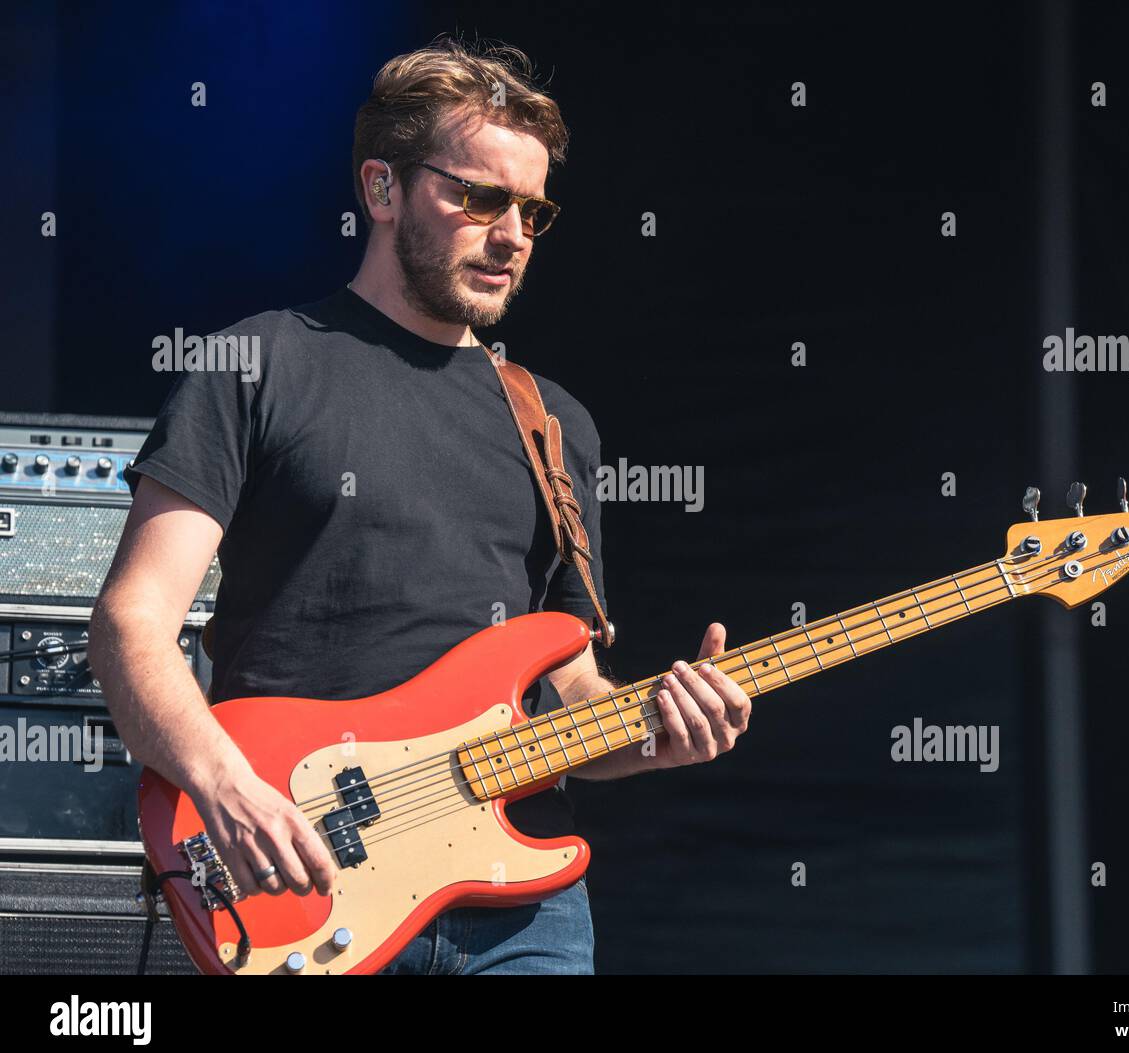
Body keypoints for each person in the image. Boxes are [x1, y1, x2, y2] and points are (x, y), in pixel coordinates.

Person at [89, 35, 752, 975]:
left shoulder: (555, 425)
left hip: (524, 909)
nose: (513, 234)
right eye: (478, 196)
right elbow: (130, 624)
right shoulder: (257, 365)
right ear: (382, 188)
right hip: (302, 878)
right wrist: (225, 789)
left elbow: (567, 694)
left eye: (532, 209)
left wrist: (658, 732)